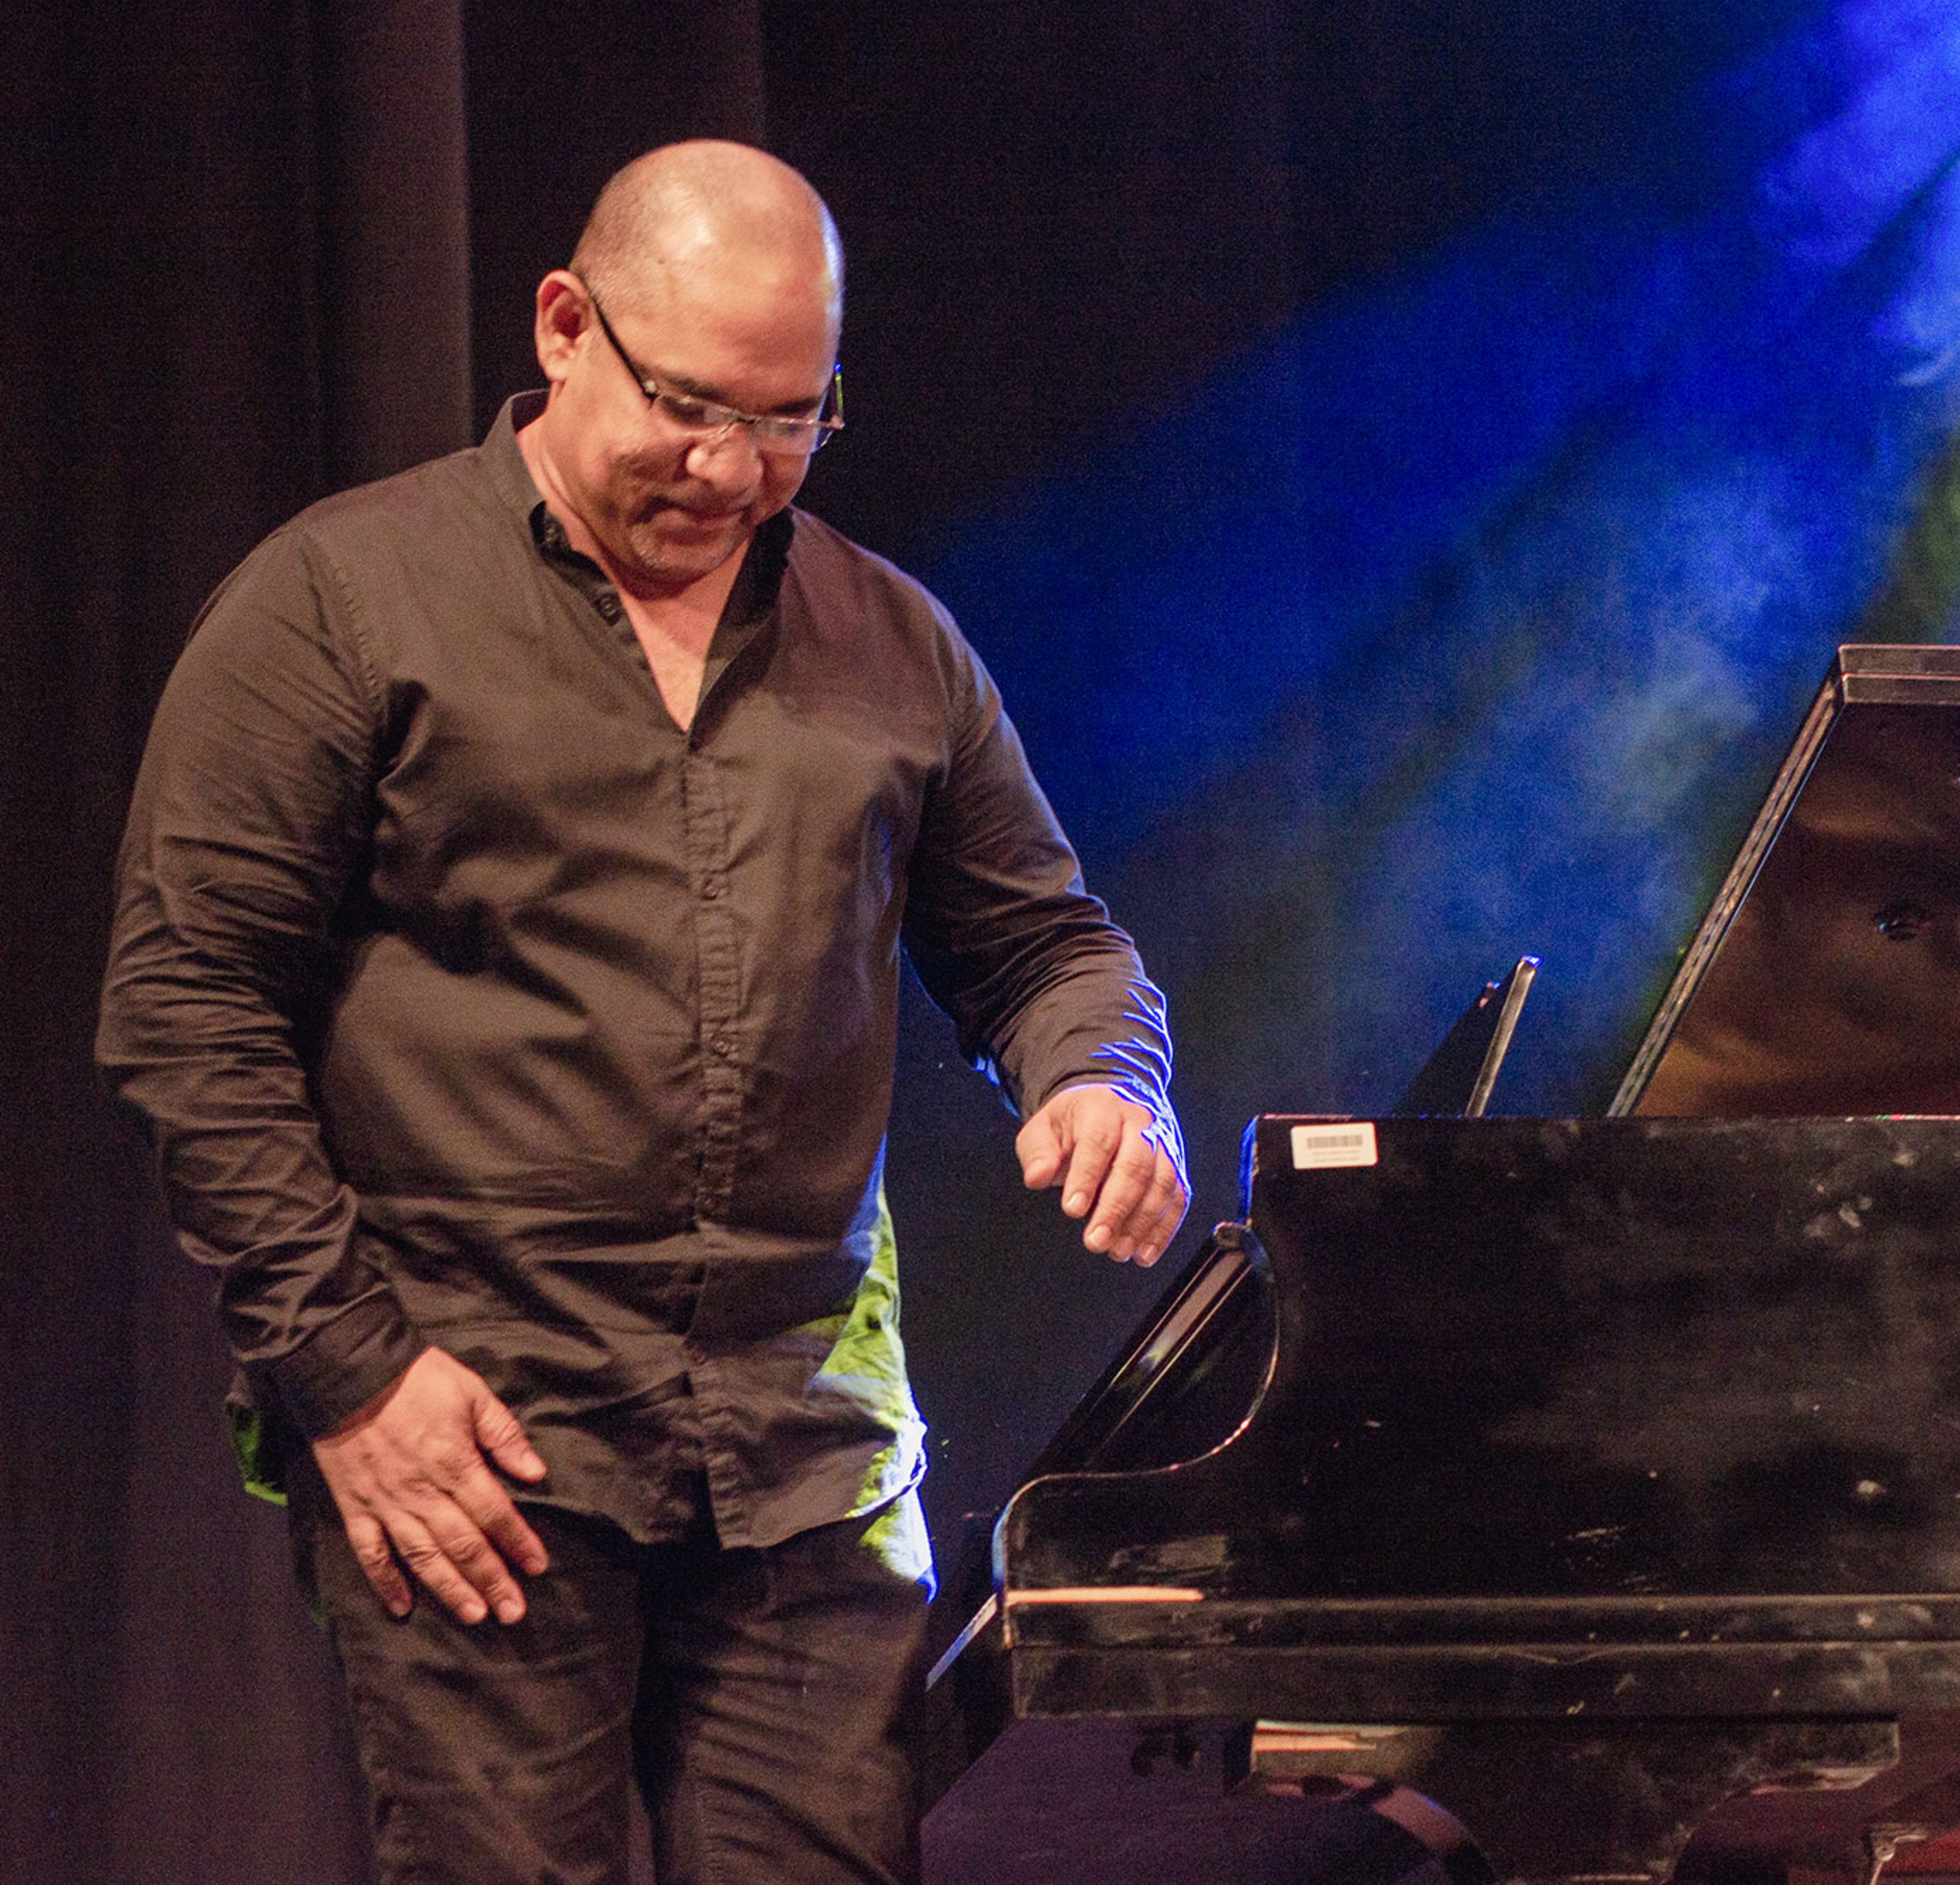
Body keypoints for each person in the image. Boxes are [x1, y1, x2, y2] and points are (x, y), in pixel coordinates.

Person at [97, 140, 1188, 1884]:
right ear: (563, 326)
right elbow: (187, 1007)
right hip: (480, 1438)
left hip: (807, 1460)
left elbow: (1047, 945)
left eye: (790, 420)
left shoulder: (891, 642)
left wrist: (1101, 1079)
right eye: (689, 406)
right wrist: (352, 1379)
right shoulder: (340, 604)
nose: (731, 468)